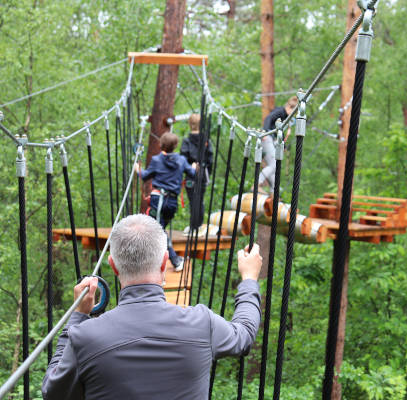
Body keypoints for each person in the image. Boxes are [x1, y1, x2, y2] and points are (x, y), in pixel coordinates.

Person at [42, 214, 262, 400]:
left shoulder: (84, 338)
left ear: (113, 266)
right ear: (165, 261)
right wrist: (249, 278)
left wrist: (78, 316)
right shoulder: (202, 323)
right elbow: (244, 334)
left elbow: (52, 393)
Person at [135, 132, 196, 272]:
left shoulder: (157, 160)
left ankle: (174, 260)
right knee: (159, 230)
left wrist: (137, 169)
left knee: (158, 232)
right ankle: (159, 260)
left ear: (161, 145)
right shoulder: (181, 160)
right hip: (172, 203)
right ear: (176, 146)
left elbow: (144, 176)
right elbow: (192, 174)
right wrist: (193, 167)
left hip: (158, 201)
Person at [180, 113, 214, 231]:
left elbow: (182, 159)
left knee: (193, 200)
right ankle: (197, 225)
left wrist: (190, 166)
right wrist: (207, 172)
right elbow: (210, 159)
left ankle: (194, 226)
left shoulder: (186, 142)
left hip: (190, 174)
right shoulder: (207, 141)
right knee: (199, 200)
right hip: (203, 174)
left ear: (190, 124)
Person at [259, 96, 298, 193]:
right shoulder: (280, 111)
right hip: (266, 137)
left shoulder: (283, 115)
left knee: (274, 166)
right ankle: (257, 184)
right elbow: (268, 118)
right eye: (293, 112)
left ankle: (274, 191)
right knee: (274, 165)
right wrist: (264, 131)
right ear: (289, 107)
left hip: (270, 138)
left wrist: (283, 146)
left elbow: (279, 131)